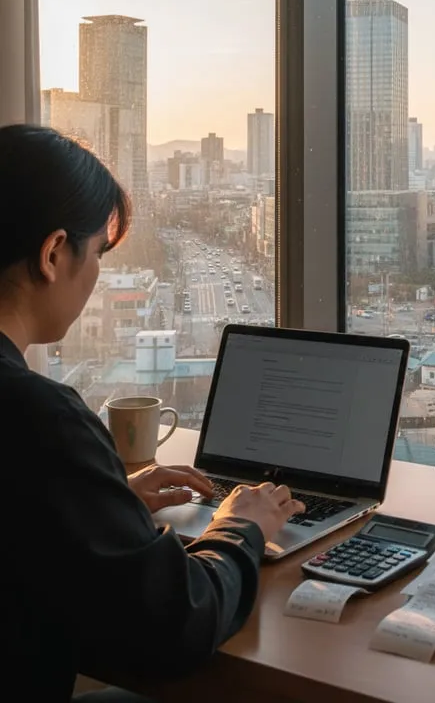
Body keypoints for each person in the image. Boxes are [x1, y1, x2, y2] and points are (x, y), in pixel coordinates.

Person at [0, 125, 305, 702]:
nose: (95, 276)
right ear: (51, 254)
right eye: (94, 254)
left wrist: (98, 506)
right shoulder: (38, 417)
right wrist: (241, 527)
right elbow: (176, 625)